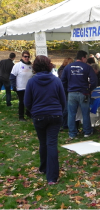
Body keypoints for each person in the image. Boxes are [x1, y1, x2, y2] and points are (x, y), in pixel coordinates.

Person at [24, 55, 66, 185]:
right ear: (49, 65)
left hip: (39, 115)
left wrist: (34, 112)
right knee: (51, 144)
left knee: (44, 143)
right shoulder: (56, 80)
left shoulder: (32, 81)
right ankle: (51, 176)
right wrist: (59, 111)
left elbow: (27, 102)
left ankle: (44, 169)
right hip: (54, 115)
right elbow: (63, 100)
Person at [61, 50, 97, 139]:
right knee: (85, 113)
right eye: (86, 58)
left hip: (72, 93)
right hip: (84, 93)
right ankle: (87, 132)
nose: (86, 60)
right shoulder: (87, 67)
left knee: (71, 114)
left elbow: (63, 81)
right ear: (83, 57)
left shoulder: (68, 67)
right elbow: (94, 80)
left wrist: (67, 89)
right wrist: (90, 89)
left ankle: (72, 133)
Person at [10, 50, 33, 121]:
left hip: (29, 87)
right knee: (22, 102)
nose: (27, 58)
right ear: (22, 57)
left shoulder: (31, 66)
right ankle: (21, 116)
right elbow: (12, 76)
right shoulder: (18, 65)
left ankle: (28, 113)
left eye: (28, 57)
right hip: (20, 87)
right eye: (25, 56)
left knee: (30, 101)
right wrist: (14, 86)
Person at [57, 57, 74, 131]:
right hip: (64, 91)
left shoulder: (63, 70)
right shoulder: (62, 71)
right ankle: (62, 124)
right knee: (65, 109)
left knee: (67, 108)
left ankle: (65, 124)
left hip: (67, 90)